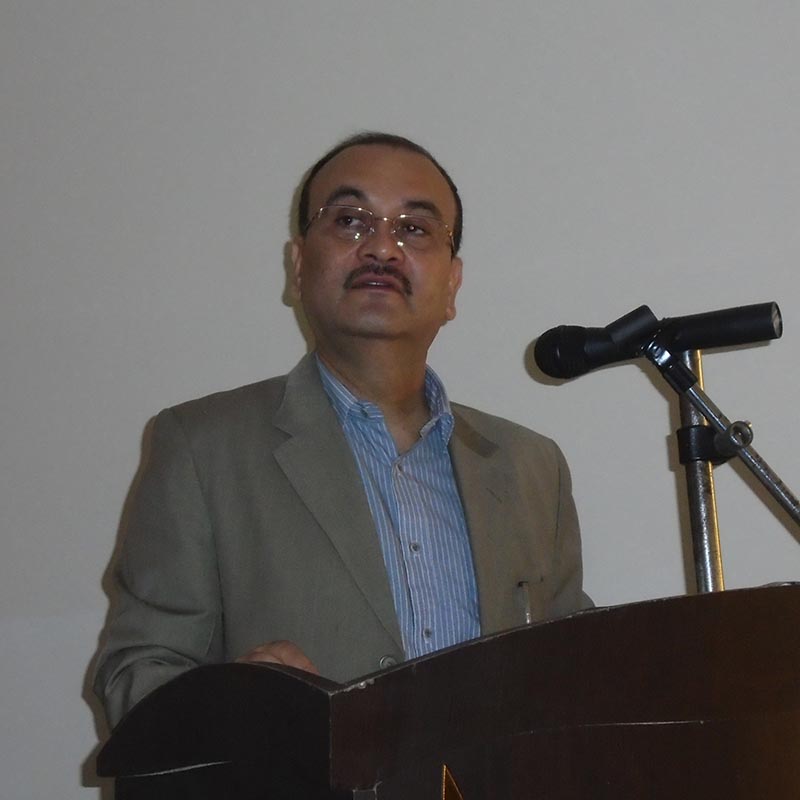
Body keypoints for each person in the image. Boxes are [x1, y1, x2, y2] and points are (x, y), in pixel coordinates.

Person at [94, 132, 591, 728]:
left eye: (414, 228)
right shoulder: (202, 448)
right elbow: (134, 678)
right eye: (351, 221)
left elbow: (576, 680)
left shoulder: (532, 467)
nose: (381, 247)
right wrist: (237, 700)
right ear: (299, 265)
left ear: (452, 284)